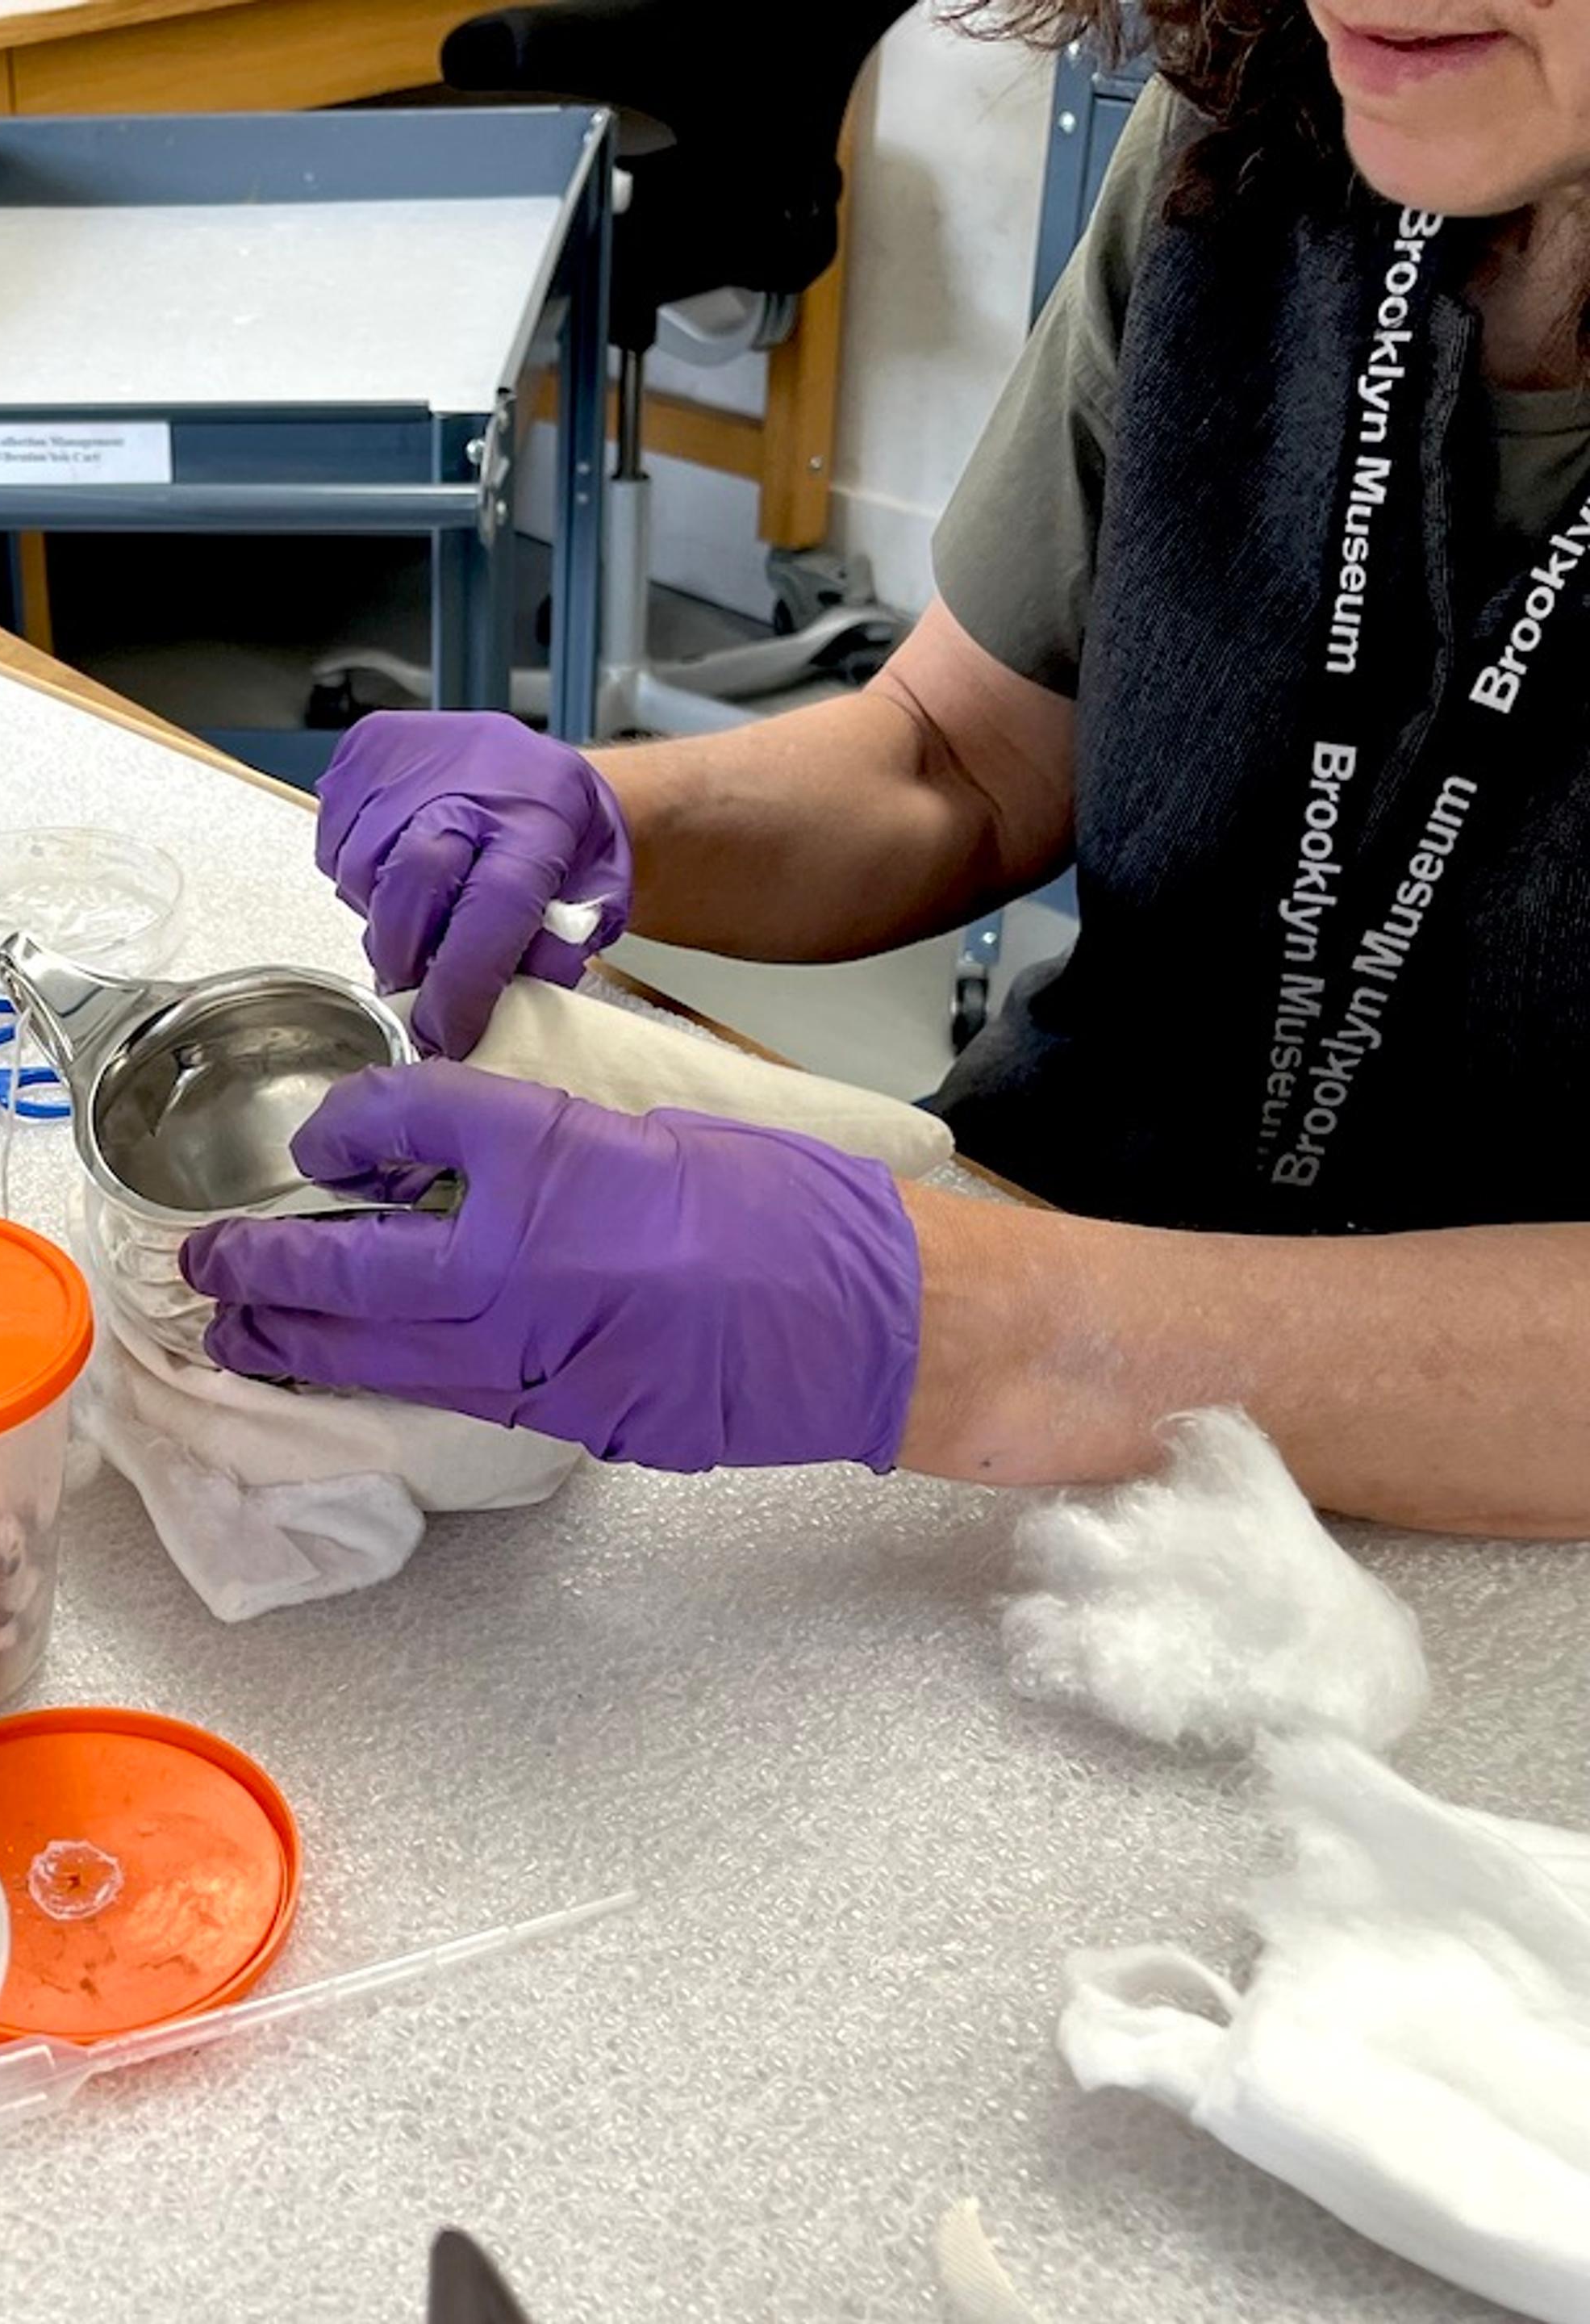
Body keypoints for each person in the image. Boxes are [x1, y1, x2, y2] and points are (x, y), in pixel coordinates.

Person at [184, 0, 1590, 1538]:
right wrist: (597, 817)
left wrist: (971, 1330)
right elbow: (964, 758)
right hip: (1050, 1240)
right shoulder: (1260, 121)